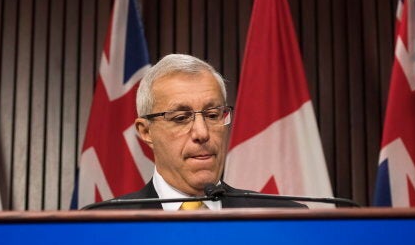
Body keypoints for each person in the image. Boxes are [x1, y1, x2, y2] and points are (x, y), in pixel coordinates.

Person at [91, 53, 306, 210]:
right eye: (181, 118)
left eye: (212, 115)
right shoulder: (102, 226)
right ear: (146, 131)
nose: (202, 133)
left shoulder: (284, 220)